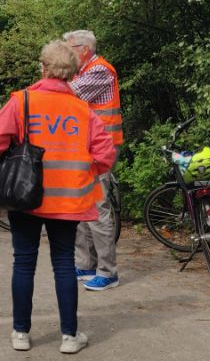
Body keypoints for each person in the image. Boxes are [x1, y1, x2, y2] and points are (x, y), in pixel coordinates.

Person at [0, 40, 115, 354]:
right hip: (68, 199)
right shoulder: (82, 109)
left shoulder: (22, 101)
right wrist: (84, 172)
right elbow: (106, 153)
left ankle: (21, 333)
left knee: (24, 263)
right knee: (65, 265)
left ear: (42, 67)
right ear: (72, 73)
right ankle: (70, 336)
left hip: (26, 198)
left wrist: (0, 165)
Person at [64, 29, 123, 292]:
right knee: (81, 207)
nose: (66, 55)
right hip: (84, 149)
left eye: (69, 49)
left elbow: (66, 97)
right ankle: (86, 264)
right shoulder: (83, 71)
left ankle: (108, 272)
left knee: (97, 209)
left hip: (101, 149)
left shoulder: (100, 70)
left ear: (83, 49)